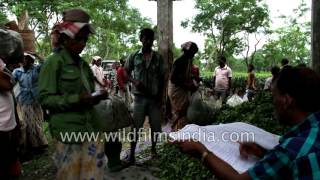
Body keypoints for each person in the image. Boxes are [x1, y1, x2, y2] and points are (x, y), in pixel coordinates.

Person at [173, 66, 320, 179]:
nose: (272, 102)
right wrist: (263, 153)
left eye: (274, 96)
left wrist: (202, 151)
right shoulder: (310, 132)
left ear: (286, 101)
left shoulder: (292, 149)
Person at [38, 8, 108, 179]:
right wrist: (76, 99)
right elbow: (45, 99)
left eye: (85, 39)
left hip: (91, 129)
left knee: (93, 175)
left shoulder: (84, 65)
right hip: (69, 132)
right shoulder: (53, 63)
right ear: (65, 37)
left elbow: (89, 92)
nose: (83, 43)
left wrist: (97, 95)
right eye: (79, 38)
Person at [125, 28, 166, 164]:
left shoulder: (158, 58)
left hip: (154, 99)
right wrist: (134, 81)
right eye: (145, 38)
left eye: (150, 38)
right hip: (139, 99)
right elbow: (126, 72)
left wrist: (161, 98)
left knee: (155, 126)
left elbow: (162, 79)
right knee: (136, 127)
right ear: (141, 39)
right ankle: (131, 154)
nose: (148, 41)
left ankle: (153, 150)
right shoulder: (134, 56)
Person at [13, 52, 48, 156]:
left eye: (25, 58)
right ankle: (34, 145)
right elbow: (11, 81)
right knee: (29, 123)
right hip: (24, 99)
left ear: (30, 60)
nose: (23, 60)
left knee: (38, 121)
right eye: (22, 58)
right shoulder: (17, 71)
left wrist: (37, 55)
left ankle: (42, 144)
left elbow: (46, 65)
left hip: (36, 99)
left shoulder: (36, 68)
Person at [0, 28, 24, 179]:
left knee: (10, 163)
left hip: (7, 125)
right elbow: (6, 84)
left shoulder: (3, 64)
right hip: (1, 129)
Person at [168, 41, 199, 131]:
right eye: (192, 52)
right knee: (180, 112)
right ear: (186, 51)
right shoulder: (179, 61)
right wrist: (188, 86)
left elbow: (185, 75)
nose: (193, 55)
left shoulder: (188, 60)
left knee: (183, 111)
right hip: (177, 90)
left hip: (182, 89)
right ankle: (176, 132)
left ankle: (180, 131)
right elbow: (173, 78)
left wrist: (195, 77)